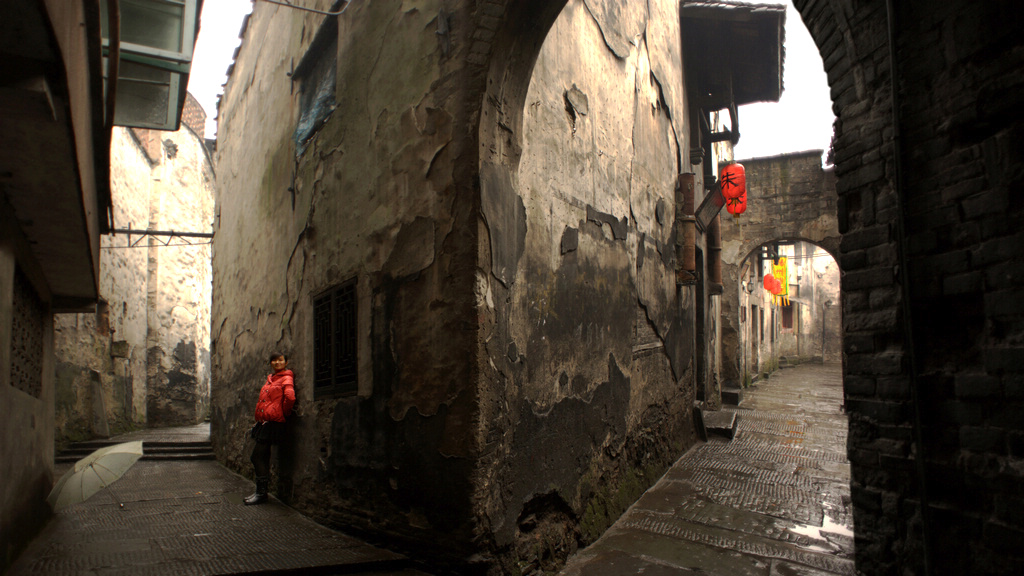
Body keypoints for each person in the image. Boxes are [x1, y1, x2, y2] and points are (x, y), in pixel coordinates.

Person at [244, 352, 295, 505]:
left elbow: (290, 398)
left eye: (280, 360)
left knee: (257, 457)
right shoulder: (271, 379)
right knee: (262, 457)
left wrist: (282, 413)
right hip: (264, 422)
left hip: (273, 423)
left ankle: (261, 494)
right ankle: (261, 493)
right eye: (274, 360)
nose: (277, 362)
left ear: (286, 362)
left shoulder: (286, 378)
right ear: (271, 363)